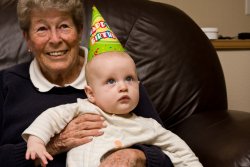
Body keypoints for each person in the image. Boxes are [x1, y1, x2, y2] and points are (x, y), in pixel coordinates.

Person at [0, 0, 174, 166]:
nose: (55, 39)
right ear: (27, 38)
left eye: (64, 26)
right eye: (42, 29)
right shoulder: (7, 84)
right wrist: (52, 144)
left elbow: (168, 151)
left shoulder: (121, 80)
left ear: (80, 31)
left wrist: (136, 156)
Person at [22, 50, 203, 167]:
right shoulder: (82, 109)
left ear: (139, 85)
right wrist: (36, 141)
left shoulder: (149, 126)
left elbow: (182, 152)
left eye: (129, 79)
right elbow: (52, 117)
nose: (123, 87)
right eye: (111, 81)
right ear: (91, 93)